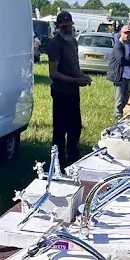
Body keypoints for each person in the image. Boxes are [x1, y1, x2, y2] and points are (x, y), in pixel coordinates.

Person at [47, 11, 92, 170]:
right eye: (64, 26)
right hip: (61, 92)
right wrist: (76, 81)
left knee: (75, 127)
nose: (67, 29)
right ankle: (57, 162)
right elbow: (53, 73)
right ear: (58, 27)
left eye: (69, 26)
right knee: (60, 129)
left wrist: (83, 77)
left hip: (73, 92)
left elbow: (74, 66)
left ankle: (73, 157)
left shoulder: (73, 41)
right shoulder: (54, 44)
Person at [107, 24, 130, 120]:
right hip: (119, 74)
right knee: (119, 97)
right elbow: (121, 60)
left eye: (129, 33)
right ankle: (117, 115)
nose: (127, 35)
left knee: (126, 96)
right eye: (125, 33)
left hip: (128, 74)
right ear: (121, 33)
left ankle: (120, 113)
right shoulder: (118, 45)